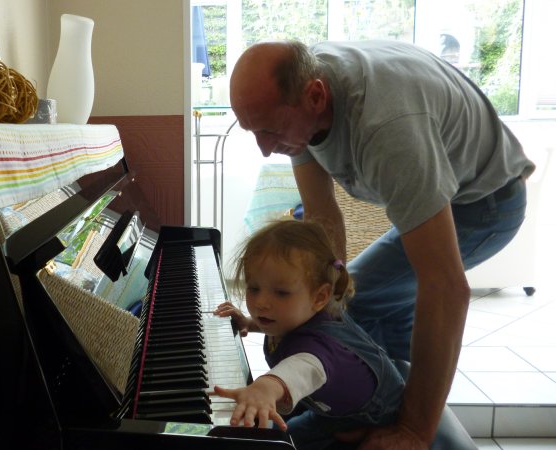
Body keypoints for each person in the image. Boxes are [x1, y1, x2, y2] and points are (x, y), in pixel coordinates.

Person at [228, 39, 536, 449]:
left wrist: (414, 431)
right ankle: (361, 410)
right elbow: (322, 219)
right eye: (253, 131)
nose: (265, 149)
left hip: (484, 203)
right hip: (446, 187)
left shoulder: (388, 129)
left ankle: (407, 428)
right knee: (335, 308)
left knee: (351, 304)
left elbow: (446, 288)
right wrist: (303, 301)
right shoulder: (304, 100)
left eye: (270, 130)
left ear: (315, 97)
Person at [214, 219, 405, 449]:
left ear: (319, 297)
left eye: (281, 293)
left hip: (374, 412)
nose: (261, 302)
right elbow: (282, 329)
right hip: (336, 397)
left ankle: (358, 431)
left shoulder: (316, 352)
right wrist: (247, 322)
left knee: (287, 438)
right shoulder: (297, 314)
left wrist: (265, 387)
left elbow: (300, 370)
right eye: (254, 288)